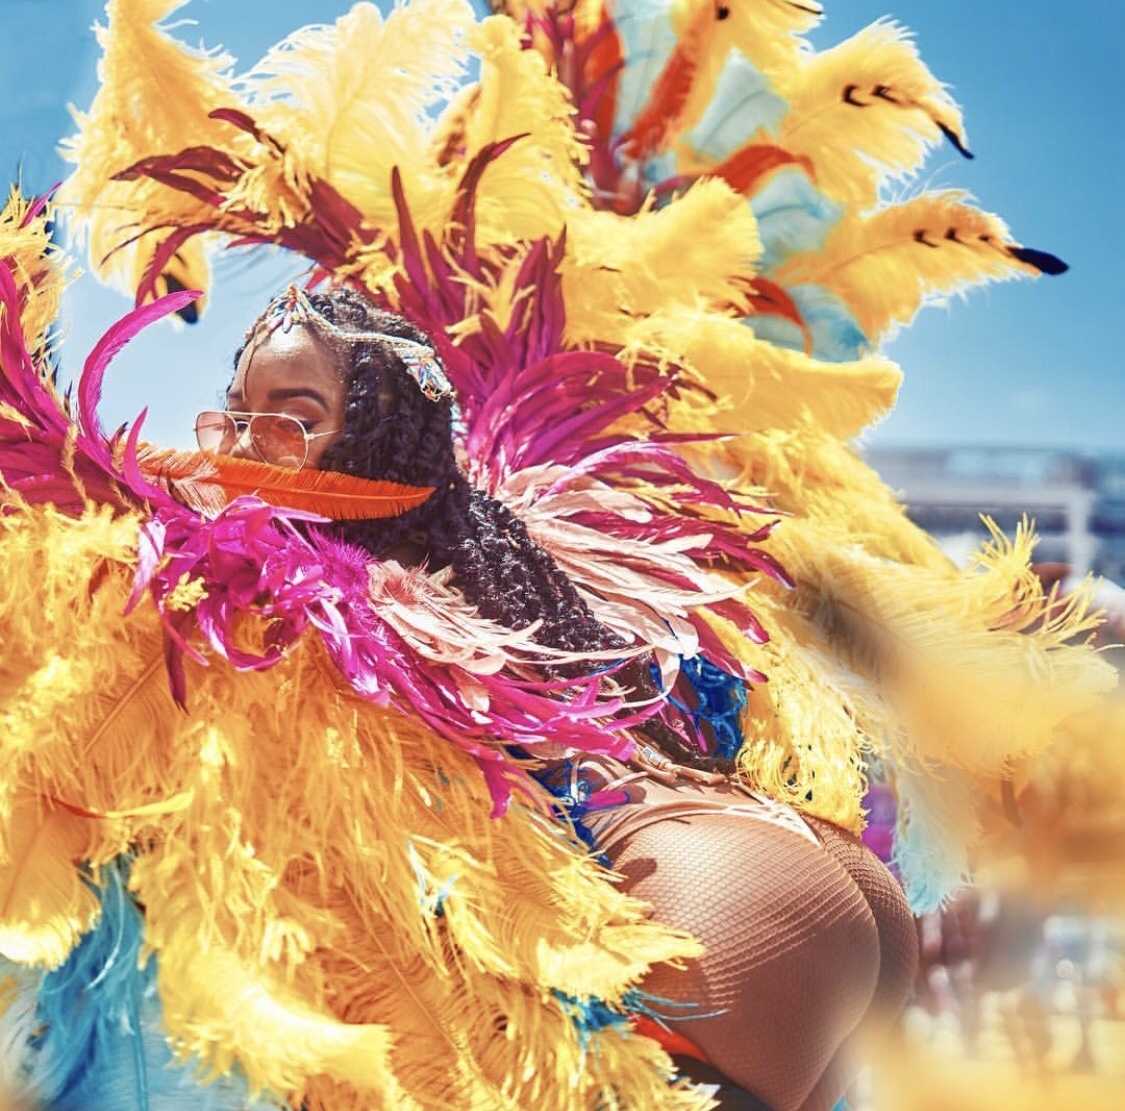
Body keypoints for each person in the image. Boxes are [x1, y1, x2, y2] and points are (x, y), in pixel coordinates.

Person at [197, 282, 919, 1111]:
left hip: (690, 912)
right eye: (234, 417)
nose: (251, 448)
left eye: (293, 419)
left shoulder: (320, 592)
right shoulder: (510, 554)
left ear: (378, 442)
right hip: (801, 880)